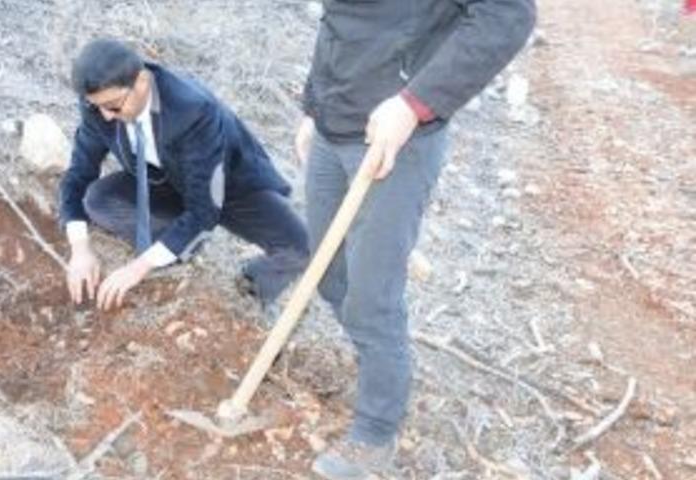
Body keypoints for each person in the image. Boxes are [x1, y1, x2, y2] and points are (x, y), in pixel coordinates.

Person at [295, 1, 536, 478]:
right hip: (332, 125)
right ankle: (380, 359)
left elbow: (508, 16)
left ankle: (376, 428)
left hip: (398, 139)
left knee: (372, 300)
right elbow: (340, 22)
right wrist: (312, 106)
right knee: (327, 275)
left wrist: (412, 104)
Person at [59, 39, 309, 311]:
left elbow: (204, 211)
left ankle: (249, 287)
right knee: (97, 199)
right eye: (98, 107)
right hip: (162, 179)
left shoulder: (193, 111)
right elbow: (78, 174)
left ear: (141, 82)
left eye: (114, 106)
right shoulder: (99, 107)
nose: (106, 117)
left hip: (231, 185)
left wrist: (137, 268)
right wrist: (80, 249)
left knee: (301, 249)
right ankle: (178, 245)